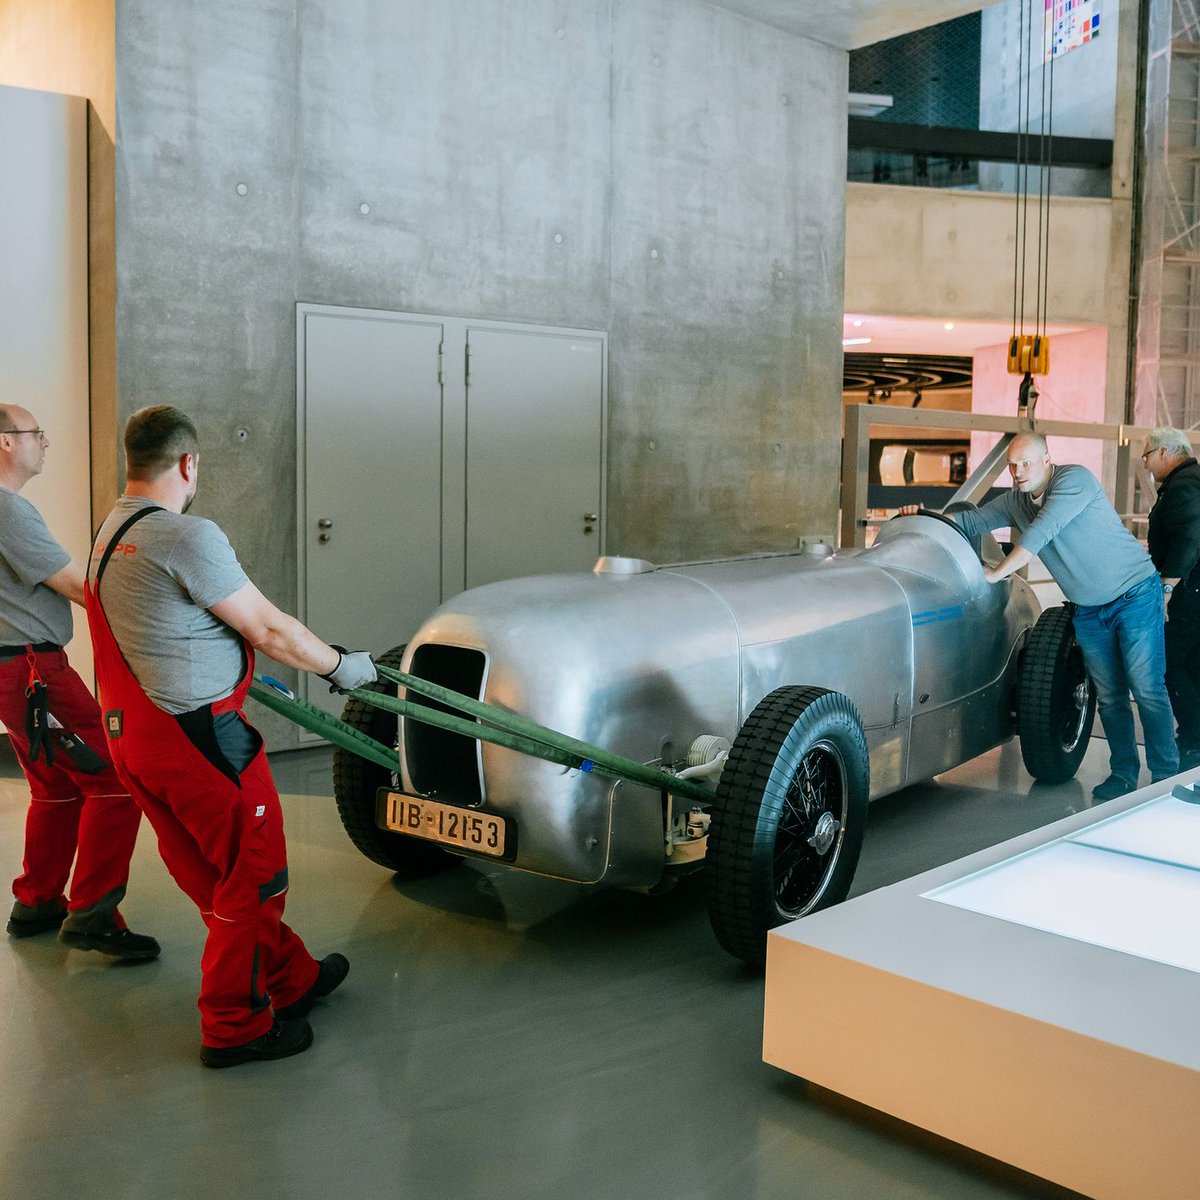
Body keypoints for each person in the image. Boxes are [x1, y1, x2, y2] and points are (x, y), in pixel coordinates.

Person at [86, 406, 377, 1068]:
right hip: (201, 742)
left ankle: (291, 979)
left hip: (136, 741)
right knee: (252, 878)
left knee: (212, 876)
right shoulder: (187, 536)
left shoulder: (110, 530)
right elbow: (269, 630)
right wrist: (341, 668)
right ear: (189, 464)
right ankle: (235, 1026)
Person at [902, 432, 1178, 800]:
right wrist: (922, 517)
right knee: (1110, 696)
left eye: (1026, 463)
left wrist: (995, 573)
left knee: (1146, 688)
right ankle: (1124, 774)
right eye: (1012, 465)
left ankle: (1164, 776)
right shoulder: (1016, 501)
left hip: (1134, 595)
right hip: (1089, 609)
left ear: (1047, 459)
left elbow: (1040, 533)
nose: (1017, 471)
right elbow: (969, 523)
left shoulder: (1074, 480)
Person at [0, 404, 158, 960]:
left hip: (12, 671)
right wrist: (147, 610)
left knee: (56, 787)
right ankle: (92, 914)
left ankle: (38, 901)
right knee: (117, 779)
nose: (45, 441)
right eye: (34, 433)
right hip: (35, 673)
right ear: (4, 443)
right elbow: (74, 584)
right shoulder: (7, 511)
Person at [1142, 427, 1200, 770]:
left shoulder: (1183, 485)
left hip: (1188, 592)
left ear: (1165, 452)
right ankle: (1194, 739)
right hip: (1194, 589)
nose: (1146, 463)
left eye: (1147, 455)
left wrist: (1166, 588)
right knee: (1191, 665)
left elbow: (1190, 537)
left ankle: (1192, 742)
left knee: (1170, 665)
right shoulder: (1189, 480)